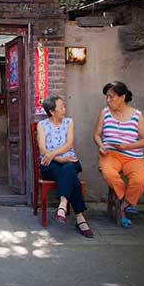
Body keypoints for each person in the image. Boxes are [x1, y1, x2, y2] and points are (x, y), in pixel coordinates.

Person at [94, 81, 144, 228]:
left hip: (133, 156)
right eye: (106, 97)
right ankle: (128, 203)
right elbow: (97, 135)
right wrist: (101, 146)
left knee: (140, 181)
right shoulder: (105, 112)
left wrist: (128, 146)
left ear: (122, 97)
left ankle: (123, 206)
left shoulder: (137, 115)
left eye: (111, 97)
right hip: (110, 154)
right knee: (108, 173)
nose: (108, 100)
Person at [37, 95, 94, 238]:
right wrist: (59, 159)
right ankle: (80, 218)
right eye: (61, 107)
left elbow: (69, 144)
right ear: (52, 111)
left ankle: (62, 204)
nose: (64, 109)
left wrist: (53, 154)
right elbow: (43, 149)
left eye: (64, 106)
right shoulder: (42, 125)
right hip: (50, 164)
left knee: (69, 168)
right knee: (70, 173)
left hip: (67, 160)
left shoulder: (69, 122)